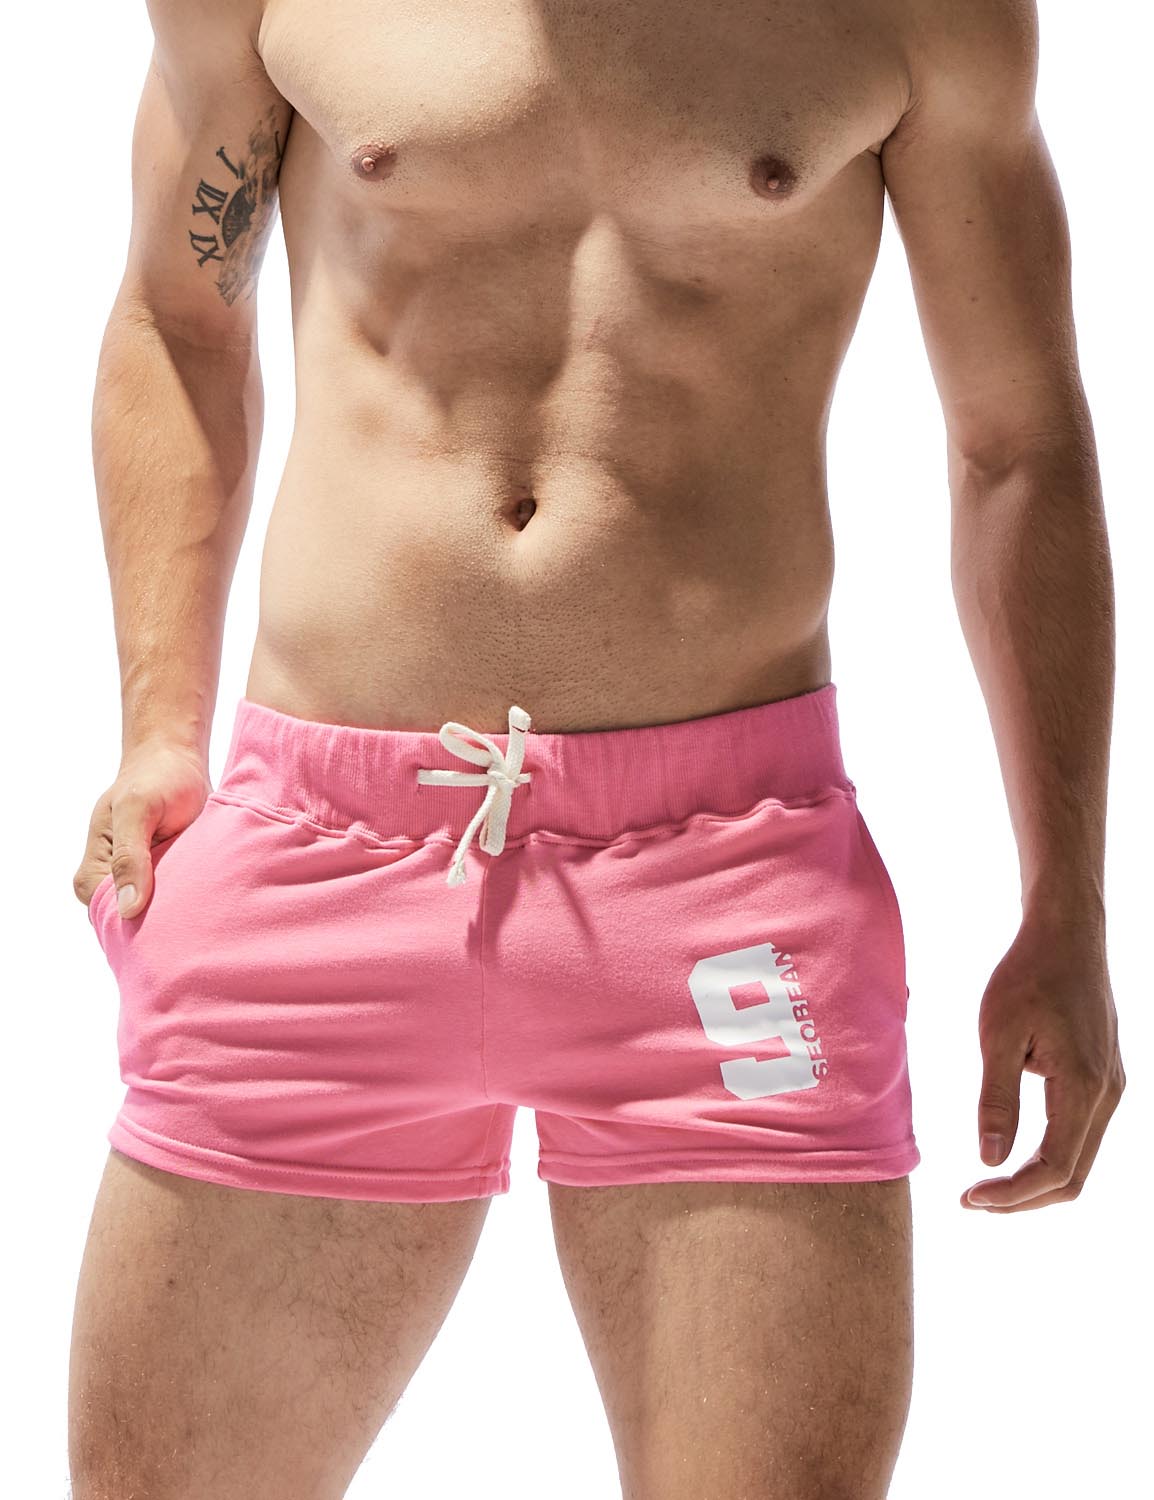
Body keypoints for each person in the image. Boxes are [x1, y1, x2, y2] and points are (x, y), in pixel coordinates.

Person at [67, 1, 1126, 1496]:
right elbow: (179, 322)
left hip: (726, 888)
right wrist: (157, 730)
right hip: (317, 860)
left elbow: (1018, 444)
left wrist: (1065, 899)